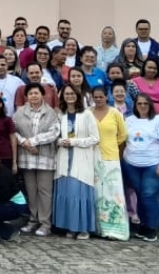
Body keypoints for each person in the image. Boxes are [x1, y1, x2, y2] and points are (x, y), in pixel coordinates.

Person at [51, 84, 99, 240]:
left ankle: (83, 228)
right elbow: (55, 137)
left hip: (81, 159)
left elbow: (95, 138)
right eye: (66, 93)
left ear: (77, 95)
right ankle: (70, 227)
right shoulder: (61, 115)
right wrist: (60, 142)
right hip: (64, 159)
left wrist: (74, 142)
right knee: (66, 193)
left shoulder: (87, 114)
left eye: (72, 93)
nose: (69, 96)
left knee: (78, 193)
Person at [122, 93, 159, 242]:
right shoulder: (129, 120)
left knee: (148, 195)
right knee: (139, 194)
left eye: (145, 103)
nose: (142, 106)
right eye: (139, 103)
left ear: (150, 105)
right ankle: (142, 225)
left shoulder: (158, 120)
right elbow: (123, 140)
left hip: (153, 163)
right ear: (135, 106)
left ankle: (152, 227)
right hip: (132, 164)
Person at [13, 83, 58, 237]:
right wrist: (24, 143)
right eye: (30, 93)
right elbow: (13, 131)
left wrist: (33, 142)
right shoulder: (20, 112)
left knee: (45, 191)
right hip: (26, 157)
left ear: (42, 95)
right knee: (31, 191)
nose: (34, 96)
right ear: (27, 96)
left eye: (36, 93)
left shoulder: (50, 112)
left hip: (44, 157)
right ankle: (33, 220)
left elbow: (54, 132)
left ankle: (45, 223)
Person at [90, 85, 129, 241]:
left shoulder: (115, 113)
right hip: (92, 157)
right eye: (96, 97)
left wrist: (111, 145)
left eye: (101, 96)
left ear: (107, 97)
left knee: (113, 195)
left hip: (111, 158)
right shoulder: (87, 113)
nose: (98, 99)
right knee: (96, 195)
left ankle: (115, 230)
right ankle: (97, 227)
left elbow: (123, 135)